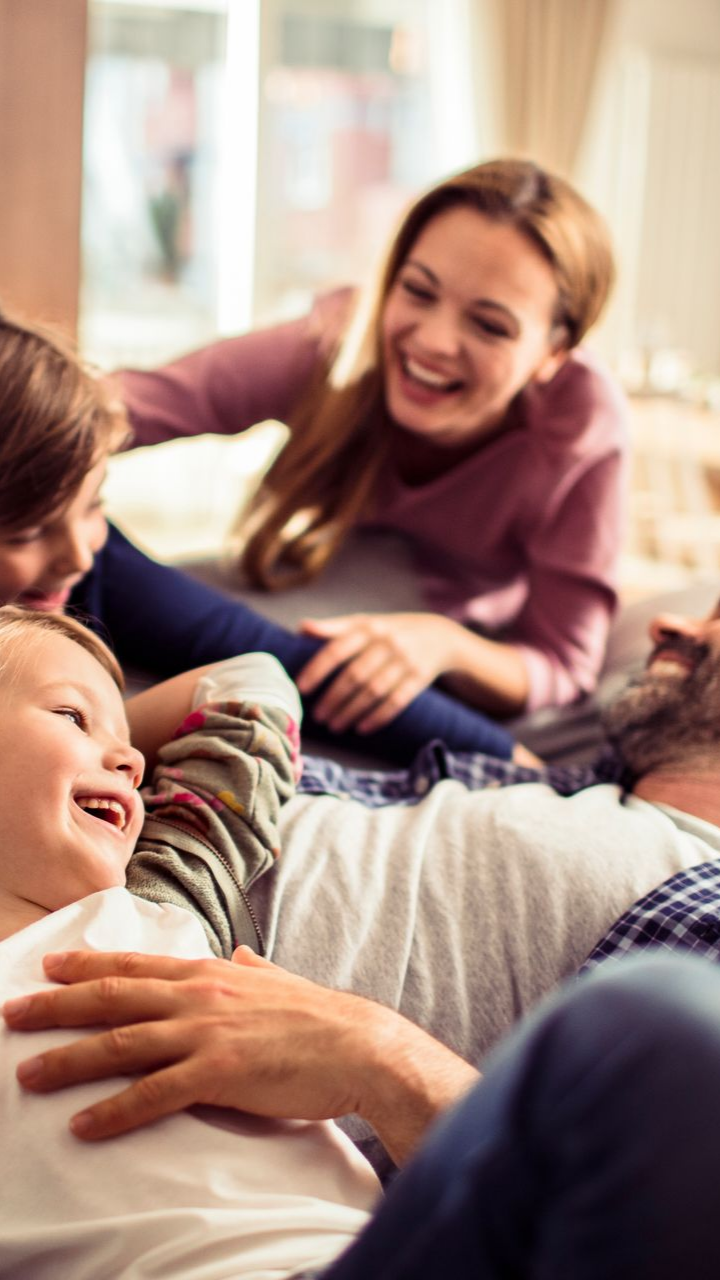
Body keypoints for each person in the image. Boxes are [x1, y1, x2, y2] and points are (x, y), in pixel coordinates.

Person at [3, 610, 720, 1276]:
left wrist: (379, 1057)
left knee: (666, 1025)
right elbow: (168, 622)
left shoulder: (700, 921)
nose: (668, 621)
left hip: (338, 1248)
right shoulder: (546, 783)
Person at [118, 157, 628, 736]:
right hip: (307, 574)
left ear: (553, 354)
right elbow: (128, 405)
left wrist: (445, 646)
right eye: (417, 291)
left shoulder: (583, 429)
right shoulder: (339, 340)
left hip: (440, 638)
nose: (434, 342)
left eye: (489, 326)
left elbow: (562, 662)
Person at [0, 310, 527, 767]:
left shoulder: (93, 566)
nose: (75, 553)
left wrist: (512, 759)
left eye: (95, 504)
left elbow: (276, 661)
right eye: (26, 533)